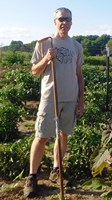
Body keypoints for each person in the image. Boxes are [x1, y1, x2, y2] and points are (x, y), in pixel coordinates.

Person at [23, 7, 84, 198]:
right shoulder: (44, 43)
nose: (64, 22)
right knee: (41, 136)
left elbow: (79, 74)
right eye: (61, 19)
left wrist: (81, 99)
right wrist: (47, 59)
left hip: (70, 97)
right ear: (54, 21)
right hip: (50, 97)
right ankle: (32, 177)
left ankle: (56, 170)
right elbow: (34, 71)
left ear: (72, 23)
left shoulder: (76, 46)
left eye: (67, 19)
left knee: (63, 135)